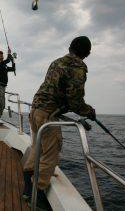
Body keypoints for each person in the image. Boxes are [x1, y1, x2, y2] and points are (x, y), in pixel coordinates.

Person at [22, 36, 96, 210]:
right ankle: (37, 194)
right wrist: (89, 112)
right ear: (87, 53)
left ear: (70, 47)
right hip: (47, 114)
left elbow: (55, 89)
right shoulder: (78, 67)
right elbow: (75, 101)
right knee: (50, 153)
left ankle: (27, 185)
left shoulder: (57, 62)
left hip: (35, 110)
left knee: (37, 147)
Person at [0, 48, 15, 125]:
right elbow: (7, 60)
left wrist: (13, 61)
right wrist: (9, 54)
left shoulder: (4, 65)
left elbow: (12, 69)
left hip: (3, 87)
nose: (1, 57)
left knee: (2, 105)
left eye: (2, 55)